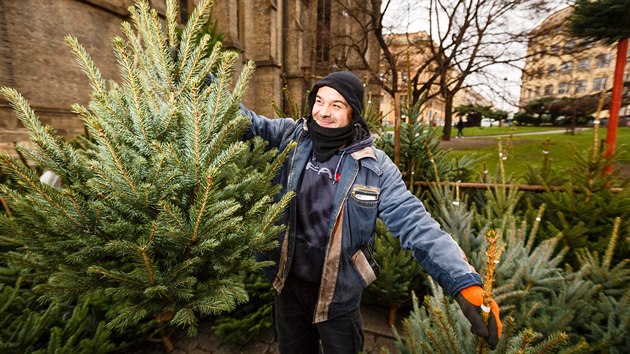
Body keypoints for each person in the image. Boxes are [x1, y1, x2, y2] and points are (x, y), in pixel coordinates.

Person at [239, 71, 501, 353]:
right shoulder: (292, 137)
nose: (323, 113)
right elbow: (244, 121)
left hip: (338, 296)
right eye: (319, 101)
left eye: (336, 105)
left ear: (353, 112)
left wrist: (463, 282)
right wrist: (198, 75)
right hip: (288, 286)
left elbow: (415, 223)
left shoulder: (375, 167)